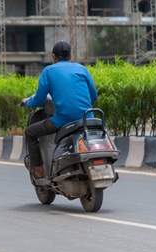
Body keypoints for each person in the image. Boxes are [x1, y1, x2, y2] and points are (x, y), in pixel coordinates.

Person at [20, 40, 98, 179]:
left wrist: (26, 102)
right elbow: (93, 97)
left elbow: (38, 100)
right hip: (88, 118)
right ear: (70, 56)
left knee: (30, 132)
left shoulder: (48, 71)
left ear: (53, 57)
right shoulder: (82, 69)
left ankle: (38, 168)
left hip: (63, 120)